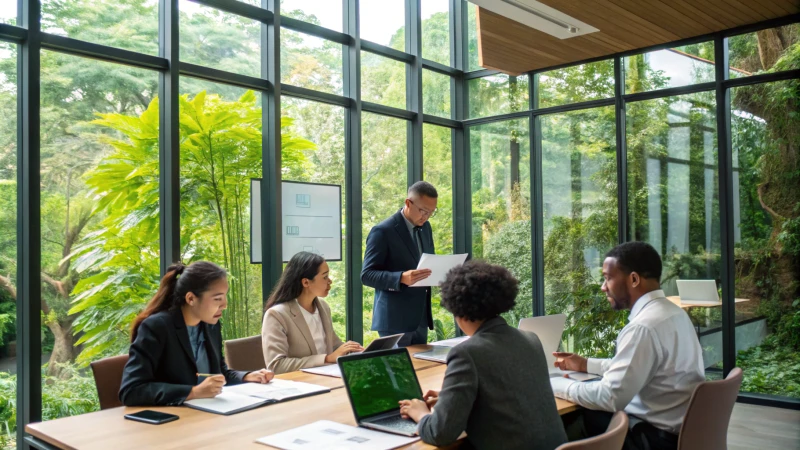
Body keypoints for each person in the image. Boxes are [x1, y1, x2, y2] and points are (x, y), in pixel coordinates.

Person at [550, 241, 705, 450]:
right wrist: (586, 364)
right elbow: (636, 367)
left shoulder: (643, 328)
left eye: (608, 278)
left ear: (633, 279)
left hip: (653, 439)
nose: (603, 287)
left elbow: (610, 397)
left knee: (566, 421)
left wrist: (555, 385)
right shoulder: (674, 314)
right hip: (680, 432)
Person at [399, 261, 568, 450]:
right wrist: (453, 398)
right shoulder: (530, 339)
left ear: (457, 309)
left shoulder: (466, 353)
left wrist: (420, 413)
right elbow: (507, 392)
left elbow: (440, 433)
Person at [120, 261, 273, 406]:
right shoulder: (157, 327)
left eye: (225, 297)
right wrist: (193, 392)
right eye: (217, 298)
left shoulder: (210, 325)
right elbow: (132, 390)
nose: (224, 305)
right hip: (172, 420)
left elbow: (218, 373)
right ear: (191, 298)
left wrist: (247, 377)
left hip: (208, 413)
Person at [361, 181, 438, 347]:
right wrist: (401, 278)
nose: (426, 216)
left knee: (421, 370)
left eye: (431, 212)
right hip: (394, 320)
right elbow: (367, 275)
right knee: (400, 370)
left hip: (420, 318)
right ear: (408, 203)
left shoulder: (426, 228)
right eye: (423, 211)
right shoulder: (382, 231)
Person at [262, 252, 363, 374]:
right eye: (325, 277)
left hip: (326, 377)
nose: (330, 281)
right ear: (306, 282)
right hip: (300, 384)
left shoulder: (323, 307)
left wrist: (356, 351)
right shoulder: (276, 315)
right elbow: (276, 365)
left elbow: (335, 347)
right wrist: (326, 359)